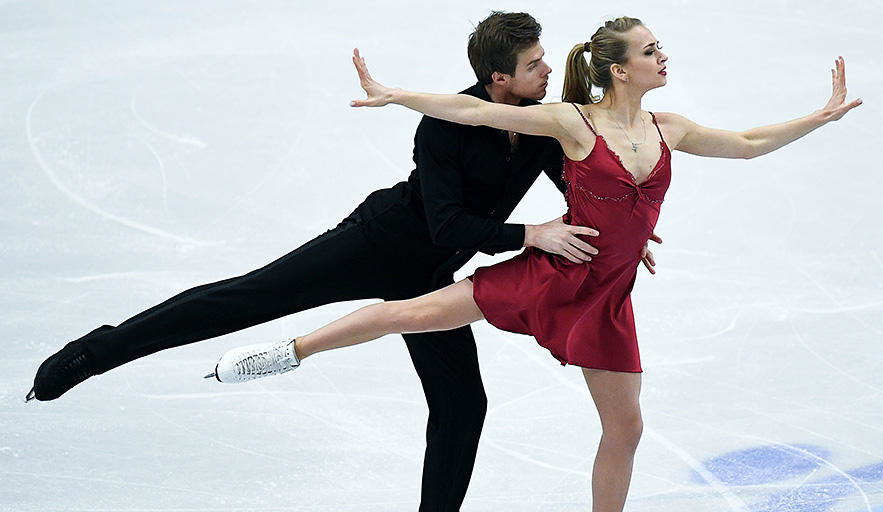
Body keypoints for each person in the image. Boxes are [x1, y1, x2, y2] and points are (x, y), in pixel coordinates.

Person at [209, 16, 862, 511]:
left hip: (607, 296)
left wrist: (821, 117)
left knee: (626, 427)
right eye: (650, 51)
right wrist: (399, 95)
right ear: (620, 71)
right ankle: (288, 352)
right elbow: (475, 110)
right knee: (413, 313)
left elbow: (747, 143)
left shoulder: (670, 127)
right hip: (554, 274)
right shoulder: (574, 123)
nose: (662, 56)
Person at [26, 11, 647, 512]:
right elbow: (446, 224)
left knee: (463, 405)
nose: (547, 70)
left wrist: (624, 234)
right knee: (245, 298)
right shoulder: (444, 128)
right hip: (374, 245)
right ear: (498, 78)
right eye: (534, 64)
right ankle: (97, 351)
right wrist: (528, 234)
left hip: (429, 276)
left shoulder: (537, 125)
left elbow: (581, 185)